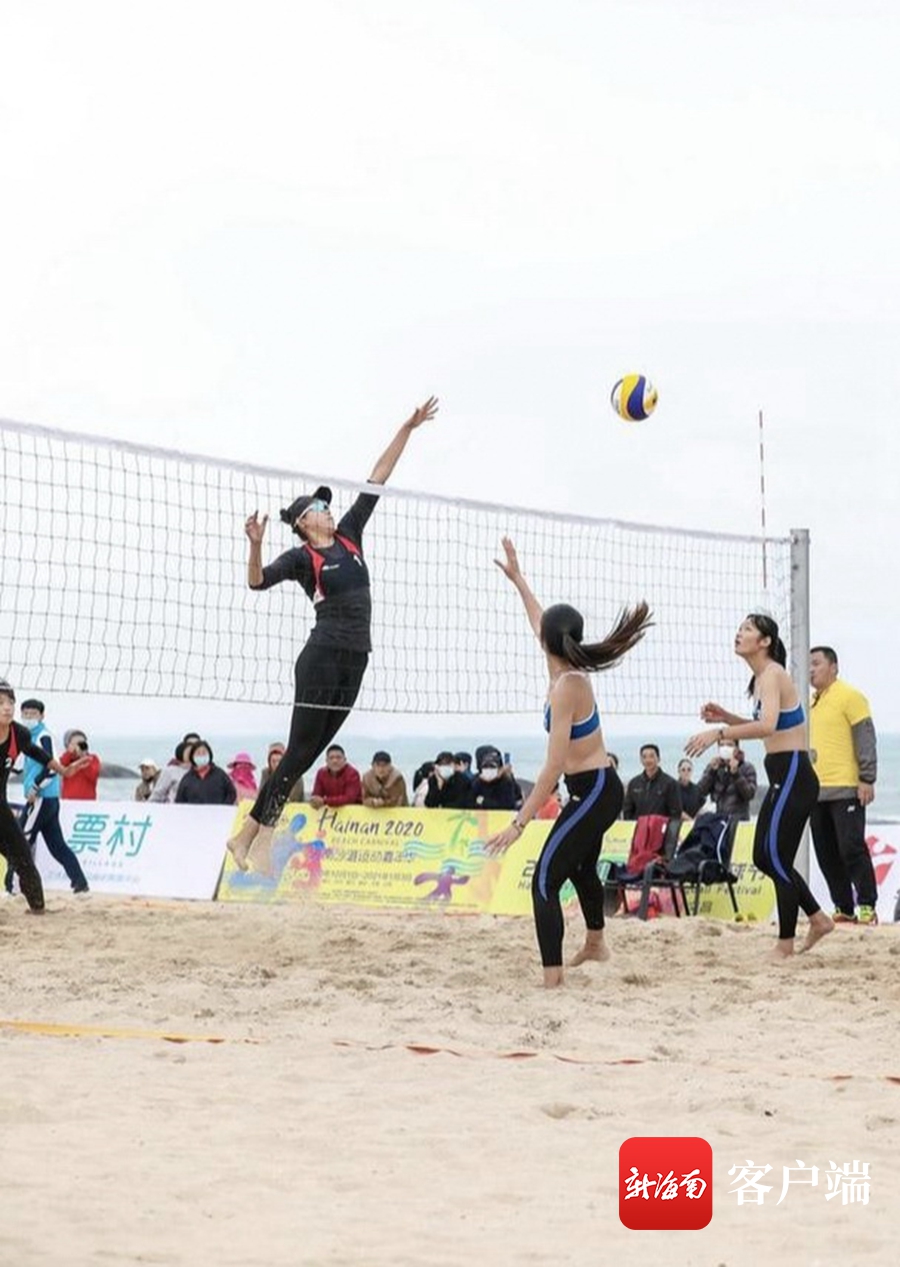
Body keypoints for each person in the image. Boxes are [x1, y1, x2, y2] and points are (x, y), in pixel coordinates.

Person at [228, 397, 438, 870]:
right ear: (305, 522)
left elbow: (377, 478)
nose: (328, 509)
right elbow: (256, 582)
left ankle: (247, 837)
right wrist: (256, 545)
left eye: (326, 504)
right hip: (322, 656)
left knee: (305, 754)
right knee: (297, 752)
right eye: (320, 507)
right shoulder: (302, 558)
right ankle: (256, 840)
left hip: (357, 657)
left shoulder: (349, 535)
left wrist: (407, 428)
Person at [486, 538, 652, 988]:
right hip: (594, 788)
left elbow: (552, 768)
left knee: (544, 881)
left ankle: (552, 980)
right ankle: (596, 943)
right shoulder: (559, 667)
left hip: (595, 790)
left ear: (550, 642)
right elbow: (539, 620)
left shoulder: (566, 687)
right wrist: (519, 580)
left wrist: (518, 824)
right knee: (579, 867)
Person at [686, 613, 833, 960]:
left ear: (765, 641)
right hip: (784, 775)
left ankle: (785, 943)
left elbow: (767, 726)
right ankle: (818, 918)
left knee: (776, 858)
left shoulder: (773, 673)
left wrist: (719, 733)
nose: (739, 633)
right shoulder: (761, 679)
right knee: (763, 857)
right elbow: (771, 725)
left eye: (747, 629)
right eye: (740, 628)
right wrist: (727, 717)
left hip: (795, 774)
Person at [809, 645, 879, 925]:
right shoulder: (810, 702)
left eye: (816, 663)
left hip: (847, 788)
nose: (811, 669)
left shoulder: (850, 696)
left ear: (833, 667)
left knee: (851, 848)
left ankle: (867, 905)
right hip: (816, 791)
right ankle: (843, 907)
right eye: (809, 665)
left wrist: (867, 778)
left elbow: (866, 738)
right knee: (826, 854)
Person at [5, 699, 89, 896]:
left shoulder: (43, 736)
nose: (28, 717)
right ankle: (80, 885)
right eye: (25, 714)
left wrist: (35, 787)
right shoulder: (27, 737)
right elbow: (19, 766)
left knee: (20, 841)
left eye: (33, 714)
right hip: (48, 799)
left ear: (42, 716)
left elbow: (51, 767)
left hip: (41, 798)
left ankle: (12, 887)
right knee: (57, 845)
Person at [0, 681, 65, 913]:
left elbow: (38, 754)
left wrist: (63, 770)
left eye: (10, 702)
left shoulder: (19, 733)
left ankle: (37, 908)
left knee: (22, 855)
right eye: (1, 703)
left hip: (1, 808)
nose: (7, 707)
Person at [695, 742, 757, 820]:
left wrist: (736, 775)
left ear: (736, 748)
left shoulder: (746, 767)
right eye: (722, 745)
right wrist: (711, 772)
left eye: (729, 745)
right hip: (718, 819)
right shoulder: (714, 766)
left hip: (739, 820)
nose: (725, 748)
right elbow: (700, 792)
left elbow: (749, 794)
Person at [622, 745, 682, 821]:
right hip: (639, 827)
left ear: (658, 759)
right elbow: (627, 811)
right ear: (641, 760)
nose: (648, 760)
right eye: (644, 757)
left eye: (651, 756)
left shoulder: (670, 783)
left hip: (661, 827)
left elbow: (676, 813)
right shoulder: (634, 783)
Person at [175, 741, 237, 806]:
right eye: (198, 753)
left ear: (209, 755)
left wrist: (223, 807)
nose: (201, 755)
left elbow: (232, 793)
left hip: (217, 812)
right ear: (192, 756)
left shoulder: (220, 774)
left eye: (204, 753)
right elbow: (179, 801)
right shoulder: (187, 778)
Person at [309, 745, 363, 809]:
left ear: (345, 760)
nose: (335, 761)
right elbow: (317, 795)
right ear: (326, 761)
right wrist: (315, 800)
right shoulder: (321, 773)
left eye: (338, 758)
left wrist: (325, 801)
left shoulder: (352, 773)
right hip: (331, 810)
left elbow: (349, 799)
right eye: (331, 758)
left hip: (353, 811)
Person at [59, 731, 101, 800]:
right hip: (68, 802)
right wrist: (70, 753)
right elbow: (60, 767)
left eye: (82, 743)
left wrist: (83, 757)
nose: (79, 746)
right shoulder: (67, 759)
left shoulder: (93, 759)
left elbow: (93, 775)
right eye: (75, 744)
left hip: (87, 802)